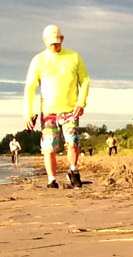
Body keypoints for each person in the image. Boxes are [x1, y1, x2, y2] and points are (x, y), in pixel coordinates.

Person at [24, 25, 90, 189]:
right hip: (49, 111)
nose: (54, 46)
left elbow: (85, 81)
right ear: (44, 41)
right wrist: (28, 112)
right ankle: (52, 179)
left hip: (70, 110)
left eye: (57, 42)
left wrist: (81, 103)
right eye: (51, 43)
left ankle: (73, 171)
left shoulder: (73, 57)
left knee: (72, 142)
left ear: (62, 39)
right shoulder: (38, 60)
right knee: (49, 147)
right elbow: (30, 87)